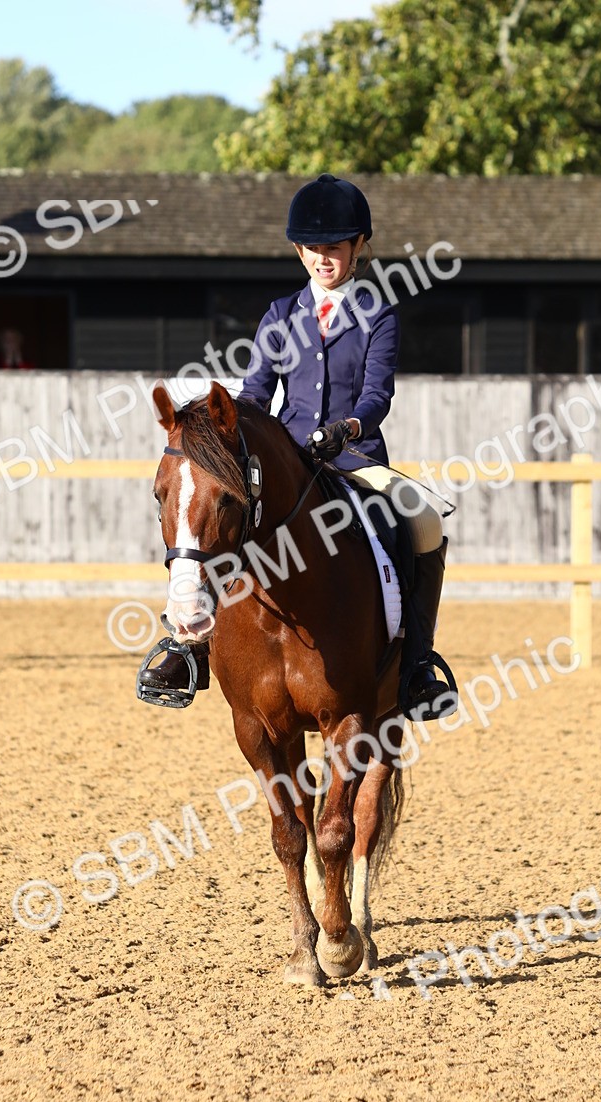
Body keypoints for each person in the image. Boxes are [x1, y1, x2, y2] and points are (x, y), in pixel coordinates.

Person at [138, 173, 455, 720]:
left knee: (424, 522)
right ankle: (187, 647)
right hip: (286, 457)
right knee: (212, 517)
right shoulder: (281, 315)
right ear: (298, 250)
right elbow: (256, 392)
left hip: (354, 458)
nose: (323, 259)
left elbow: (377, 395)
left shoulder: (377, 314)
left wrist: (348, 429)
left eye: (334, 248)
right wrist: (231, 435)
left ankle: (417, 666)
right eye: (313, 249)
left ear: (358, 248)